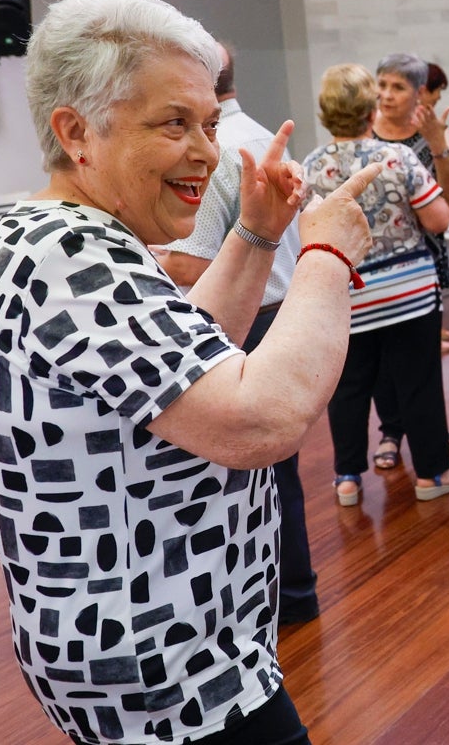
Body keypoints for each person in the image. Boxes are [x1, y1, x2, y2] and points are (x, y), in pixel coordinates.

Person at [0, 0, 377, 744]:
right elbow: (260, 419)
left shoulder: (63, 240)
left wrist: (254, 235)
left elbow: (180, 364)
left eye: (210, 122)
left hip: (161, 651)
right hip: (167, 669)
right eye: (174, 123)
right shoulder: (69, 261)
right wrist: (324, 254)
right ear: (77, 132)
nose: (208, 152)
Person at [156, 41, 319, 626]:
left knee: (251, 469)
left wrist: (139, 258)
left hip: (245, 314)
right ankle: (293, 592)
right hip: (271, 305)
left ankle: (277, 599)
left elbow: (189, 266)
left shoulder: (224, 152)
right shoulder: (256, 135)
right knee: (278, 473)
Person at [303, 63, 449, 506]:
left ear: (324, 112)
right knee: (420, 382)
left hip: (349, 297)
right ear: (371, 107)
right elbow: (437, 219)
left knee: (350, 386)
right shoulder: (397, 158)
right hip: (409, 294)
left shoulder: (310, 167)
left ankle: (348, 479)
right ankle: (434, 474)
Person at [371, 53, 449, 464]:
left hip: (424, 254)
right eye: (383, 85)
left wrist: (439, 143)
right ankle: (390, 431)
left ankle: (429, 430)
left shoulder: (432, 134)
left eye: (398, 87)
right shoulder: (363, 130)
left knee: (422, 352)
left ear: (419, 93)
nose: (387, 95)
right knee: (379, 356)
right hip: (372, 260)